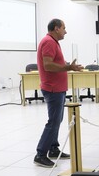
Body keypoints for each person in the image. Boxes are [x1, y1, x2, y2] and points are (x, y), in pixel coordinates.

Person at [34, 19, 84, 168]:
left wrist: (69, 65)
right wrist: (68, 67)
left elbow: (54, 63)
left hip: (57, 88)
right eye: (64, 28)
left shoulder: (53, 42)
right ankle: (40, 154)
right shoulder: (49, 42)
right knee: (53, 121)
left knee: (57, 120)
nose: (65, 31)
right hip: (53, 88)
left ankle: (53, 149)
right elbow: (48, 65)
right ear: (56, 28)